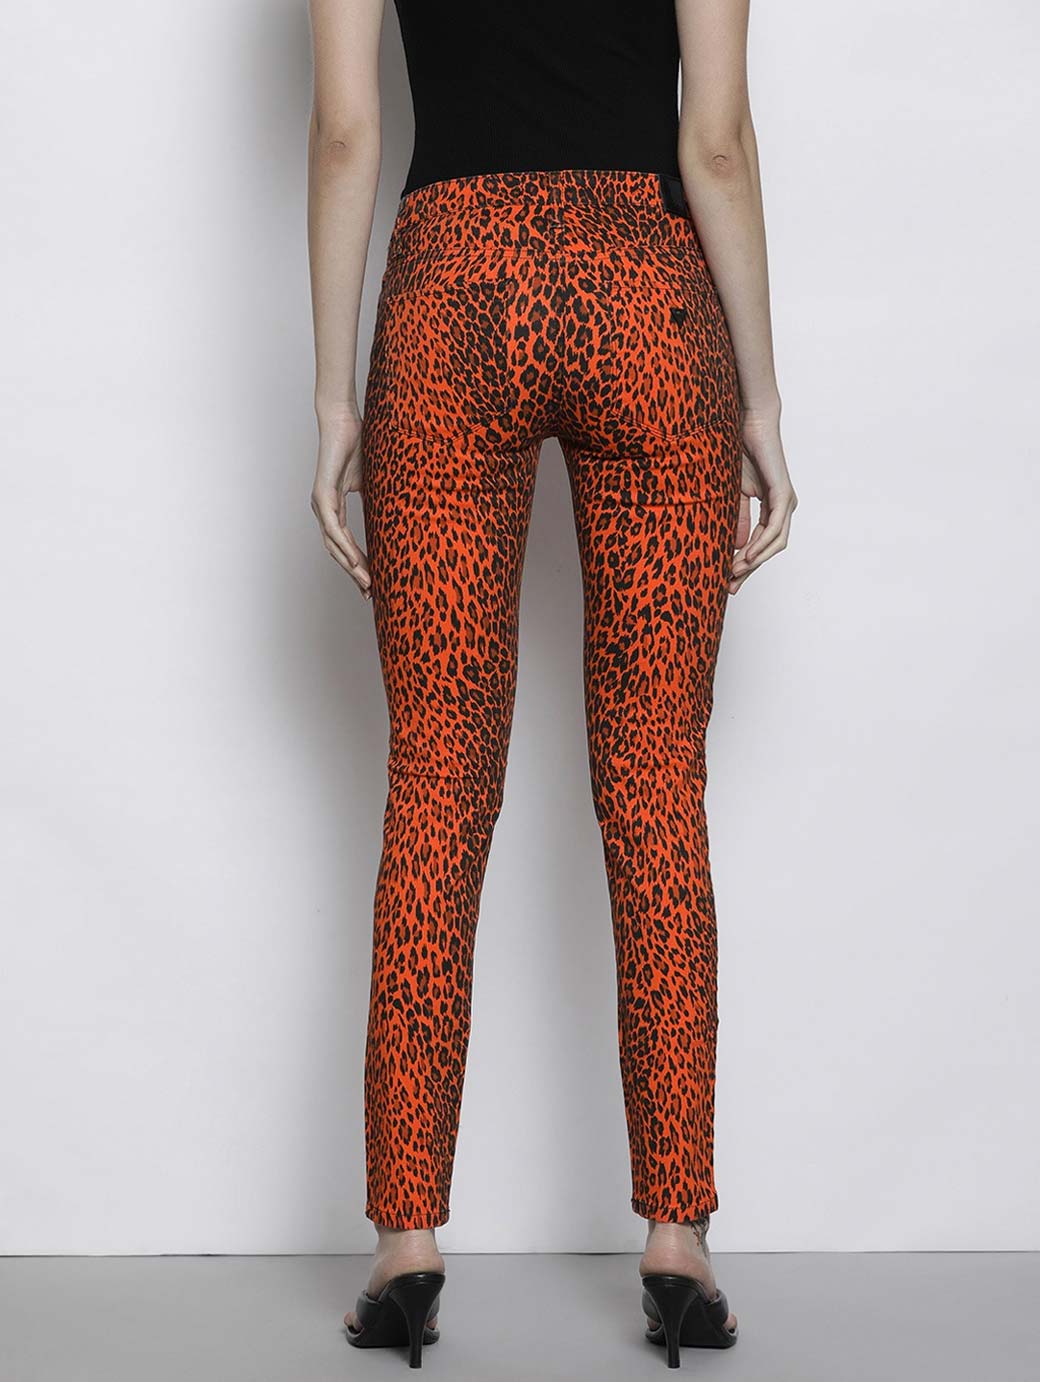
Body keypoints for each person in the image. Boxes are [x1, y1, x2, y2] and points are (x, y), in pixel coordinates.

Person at [306, 0, 797, 1367]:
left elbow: (346, 132)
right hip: (647, 289)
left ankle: (406, 1243)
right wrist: (762, 400)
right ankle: (679, 1240)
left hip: (451, 293)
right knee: (655, 783)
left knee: (435, 779)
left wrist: (337, 404)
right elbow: (715, 139)